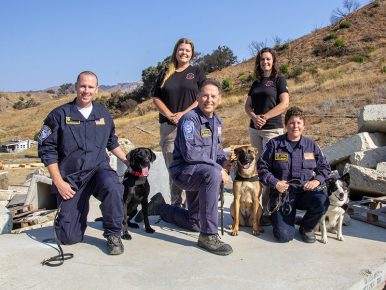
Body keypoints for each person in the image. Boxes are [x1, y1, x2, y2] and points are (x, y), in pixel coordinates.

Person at [38, 71, 128, 255]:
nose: (86, 91)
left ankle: (113, 234)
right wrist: (59, 182)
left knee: (113, 186)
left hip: (98, 171)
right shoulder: (58, 115)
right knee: (68, 237)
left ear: (97, 89)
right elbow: (47, 151)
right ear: (76, 87)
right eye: (82, 86)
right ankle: (70, 219)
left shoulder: (103, 114)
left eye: (90, 87)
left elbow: (111, 141)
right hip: (71, 178)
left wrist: (127, 161)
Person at [159, 79, 233, 256]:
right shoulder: (190, 119)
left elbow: (217, 149)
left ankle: (162, 209)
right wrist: (218, 167)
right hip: (184, 173)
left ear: (219, 99)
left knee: (195, 223)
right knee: (213, 173)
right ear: (198, 97)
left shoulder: (217, 121)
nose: (209, 100)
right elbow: (191, 154)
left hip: (201, 173)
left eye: (213, 96)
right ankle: (208, 236)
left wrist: (224, 161)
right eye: (205, 95)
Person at [257, 106, 330, 243]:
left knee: (322, 200)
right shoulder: (274, 144)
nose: (295, 126)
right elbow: (261, 167)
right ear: (286, 125)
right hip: (283, 195)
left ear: (304, 125)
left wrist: (317, 181)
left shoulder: (311, 145)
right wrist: (275, 183)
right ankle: (277, 217)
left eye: (299, 123)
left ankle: (306, 228)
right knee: (284, 236)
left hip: (305, 192)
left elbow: (325, 167)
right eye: (291, 122)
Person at [152, 38, 206, 208]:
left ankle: (194, 206)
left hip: (191, 124)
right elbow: (155, 97)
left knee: (191, 164)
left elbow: (202, 97)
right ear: (175, 51)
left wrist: (183, 114)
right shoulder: (166, 72)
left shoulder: (197, 72)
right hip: (169, 127)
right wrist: (170, 115)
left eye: (188, 50)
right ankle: (176, 204)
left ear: (192, 54)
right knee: (173, 167)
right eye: (181, 49)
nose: (184, 53)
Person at [244, 47, 290, 224]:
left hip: (272, 129)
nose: (265, 62)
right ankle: (259, 211)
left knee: (270, 169)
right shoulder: (255, 82)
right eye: (262, 59)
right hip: (255, 129)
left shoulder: (279, 80)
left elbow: (285, 103)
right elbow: (247, 106)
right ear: (259, 62)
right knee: (257, 169)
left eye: (268, 59)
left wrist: (265, 117)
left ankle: (270, 210)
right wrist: (254, 116)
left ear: (273, 61)